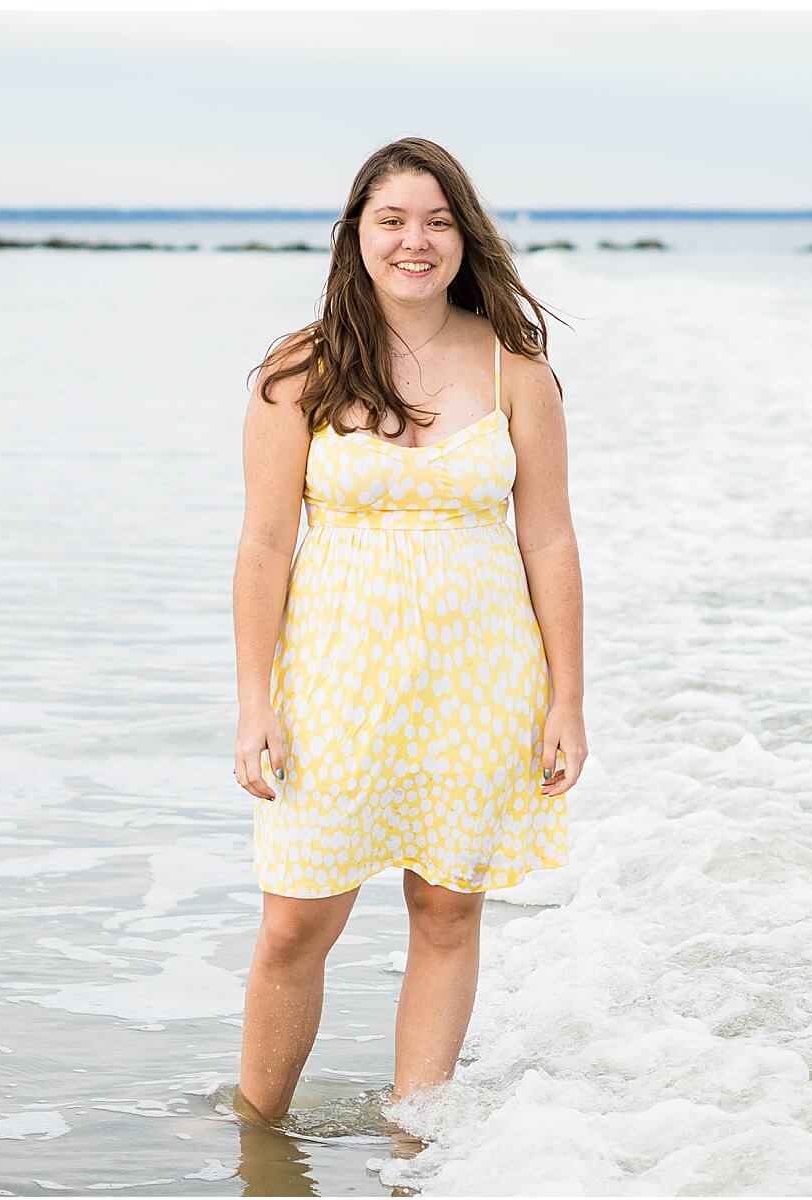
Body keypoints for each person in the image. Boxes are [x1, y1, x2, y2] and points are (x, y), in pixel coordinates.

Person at [230, 137, 588, 1126]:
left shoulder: (518, 369)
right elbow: (264, 543)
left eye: (436, 221)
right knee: (295, 920)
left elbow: (550, 539)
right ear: (357, 236)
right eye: (392, 220)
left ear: (465, 238)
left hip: (480, 675)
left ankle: (412, 1145)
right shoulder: (296, 370)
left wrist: (568, 699)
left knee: (445, 908)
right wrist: (255, 700)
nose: (415, 241)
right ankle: (259, 1139)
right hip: (335, 678)